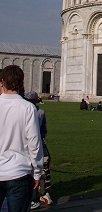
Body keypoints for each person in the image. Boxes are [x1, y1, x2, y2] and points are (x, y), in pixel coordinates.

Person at [0, 65, 44, 212]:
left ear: (2, 82)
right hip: (19, 173)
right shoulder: (28, 108)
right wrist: (37, 172)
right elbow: (34, 143)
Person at [25, 91, 53, 208]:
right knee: (43, 170)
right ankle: (44, 194)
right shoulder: (40, 112)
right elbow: (43, 131)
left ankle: (32, 198)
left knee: (29, 172)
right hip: (40, 144)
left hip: (27, 146)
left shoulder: (25, 111)